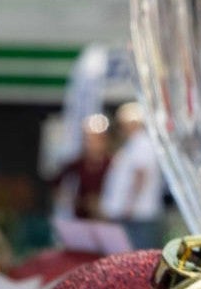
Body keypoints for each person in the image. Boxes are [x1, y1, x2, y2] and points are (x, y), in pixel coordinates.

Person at [99, 103, 165, 247]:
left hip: (137, 216)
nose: (121, 128)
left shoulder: (142, 144)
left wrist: (128, 206)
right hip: (133, 215)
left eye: (123, 124)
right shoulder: (134, 144)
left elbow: (140, 175)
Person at [50, 114, 114, 220]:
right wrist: (76, 201)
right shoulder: (76, 164)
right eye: (89, 139)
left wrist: (102, 204)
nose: (92, 144)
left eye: (97, 139)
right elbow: (56, 188)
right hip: (80, 219)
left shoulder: (113, 164)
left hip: (106, 219)